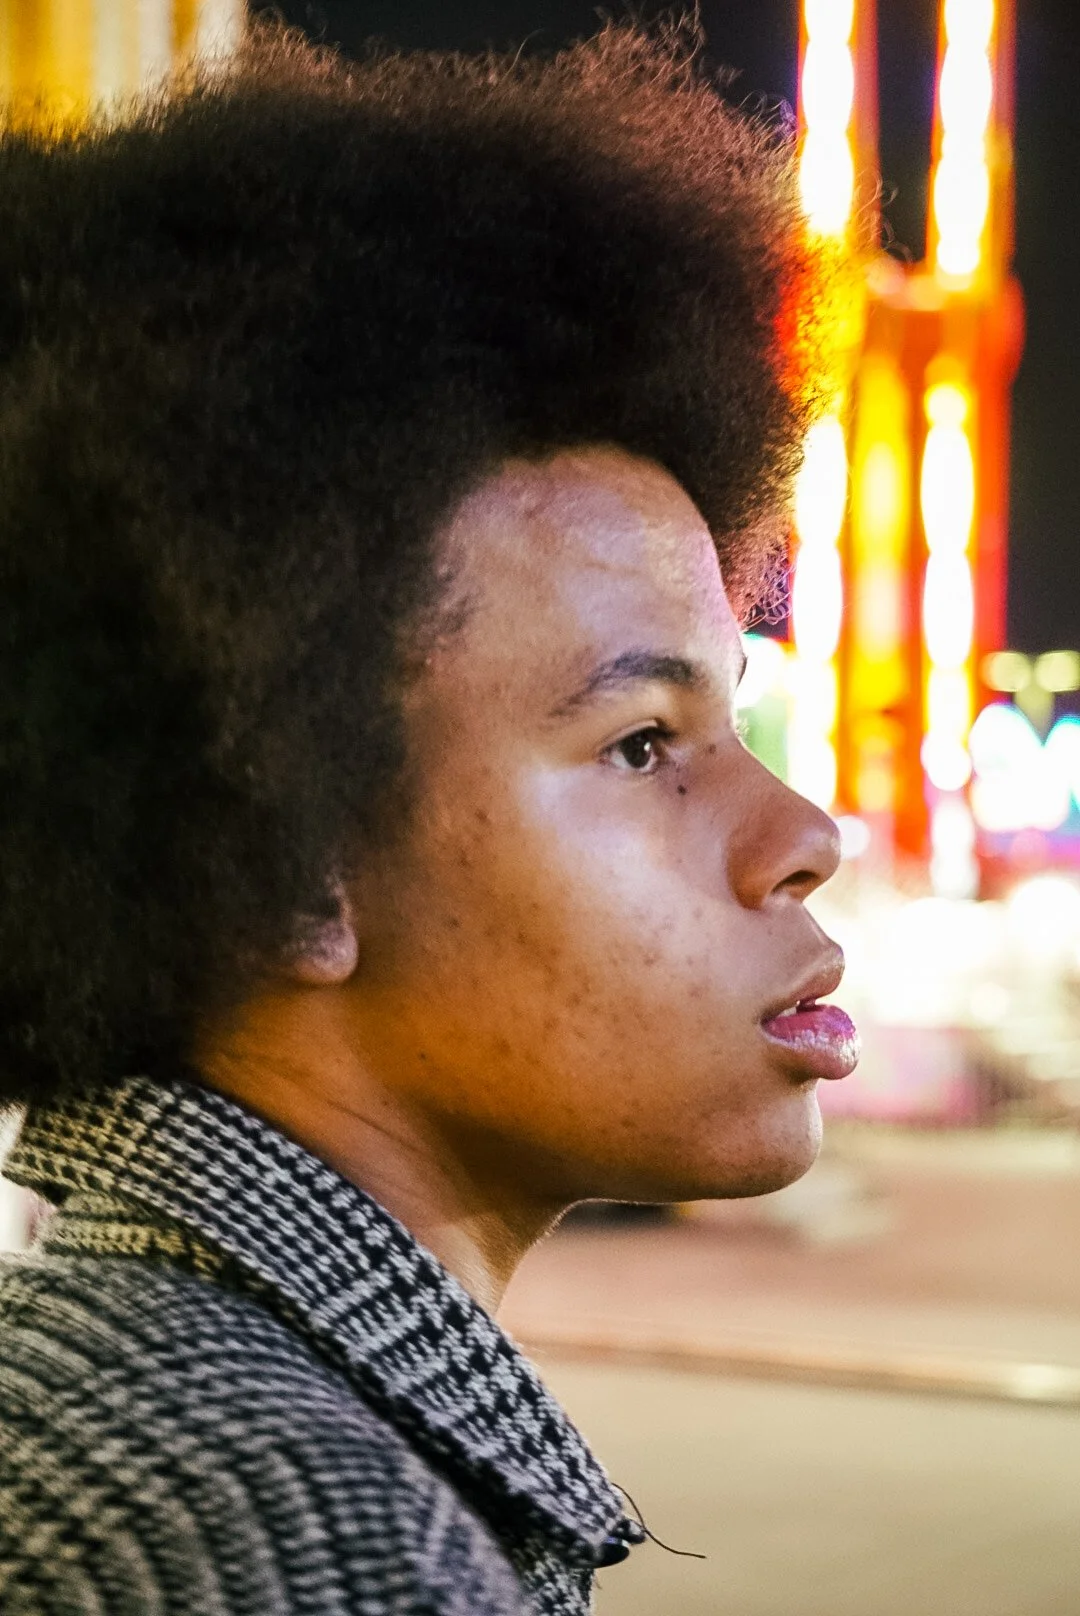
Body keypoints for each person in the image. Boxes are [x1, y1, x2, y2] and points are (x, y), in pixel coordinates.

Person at [0, 18, 858, 1615]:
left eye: (730, 722)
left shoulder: (107, 1379)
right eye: (641, 743)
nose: (802, 832)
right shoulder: (282, 1541)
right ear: (281, 861)